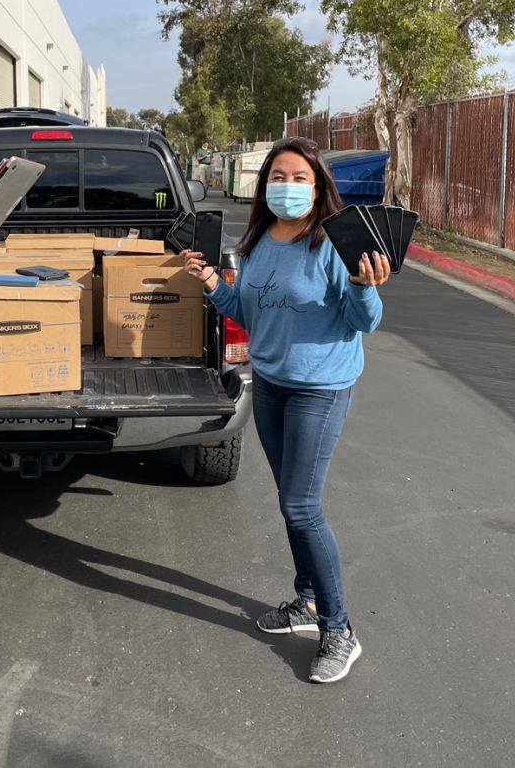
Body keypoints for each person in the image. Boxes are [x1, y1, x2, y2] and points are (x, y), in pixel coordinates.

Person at [181, 136, 388, 684]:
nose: (288, 187)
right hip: (270, 384)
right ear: (264, 185)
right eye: (279, 177)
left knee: (301, 506)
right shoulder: (258, 241)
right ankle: (306, 602)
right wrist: (208, 281)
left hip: (320, 388)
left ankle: (340, 629)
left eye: (301, 178)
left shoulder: (333, 244)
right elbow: (245, 310)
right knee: (289, 499)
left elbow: (364, 321)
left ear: (319, 187)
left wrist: (366, 289)